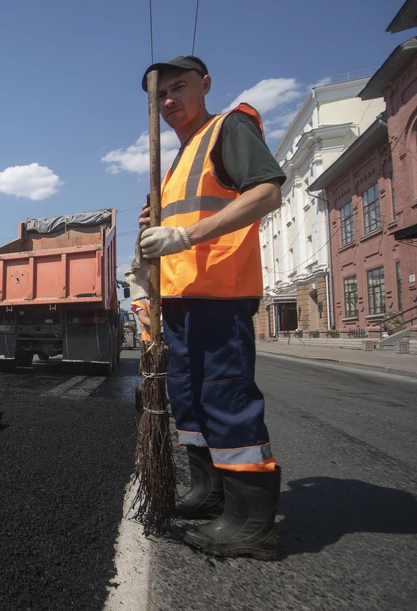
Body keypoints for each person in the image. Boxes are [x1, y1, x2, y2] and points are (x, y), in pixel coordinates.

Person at [137, 55, 286, 560]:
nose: (168, 101)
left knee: (224, 398)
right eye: (160, 96)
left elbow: (267, 191)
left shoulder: (230, 127)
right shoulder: (179, 158)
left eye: (177, 88)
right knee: (190, 401)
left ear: (205, 85)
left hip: (219, 295)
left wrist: (183, 234)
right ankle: (209, 492)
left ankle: (251, 524)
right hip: (179, 300)